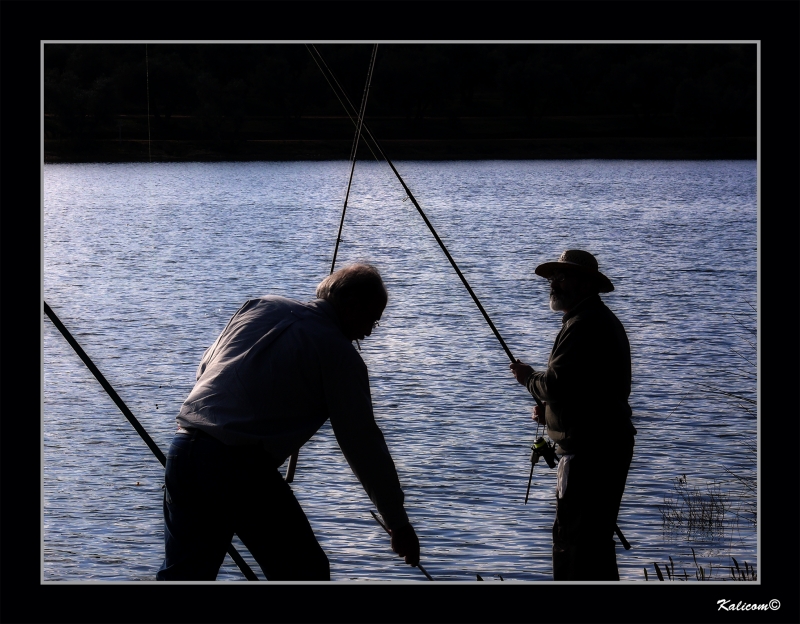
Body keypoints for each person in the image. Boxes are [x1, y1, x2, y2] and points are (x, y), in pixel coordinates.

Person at [156, 262, 420, 580]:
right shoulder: (340, 356)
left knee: (186, 576)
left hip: (185, 449)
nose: (369, 331)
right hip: (239, 468)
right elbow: (363, 444)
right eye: (372, 320)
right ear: (351, 306)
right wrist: (398, 522)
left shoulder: (260, 306)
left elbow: (207, 370)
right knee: (305, 573)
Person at [509, 249, 636, 581]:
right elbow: (584, 390)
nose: (554, 284)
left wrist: (528, 379)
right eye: (553, 278)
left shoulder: (583, 324)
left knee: (574, 545)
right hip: (605, 449)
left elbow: (554, 383)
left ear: (585, 284)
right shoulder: (593, 320)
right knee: (593, 545)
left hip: (591, 455)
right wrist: (551, 413)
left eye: (561, 277)